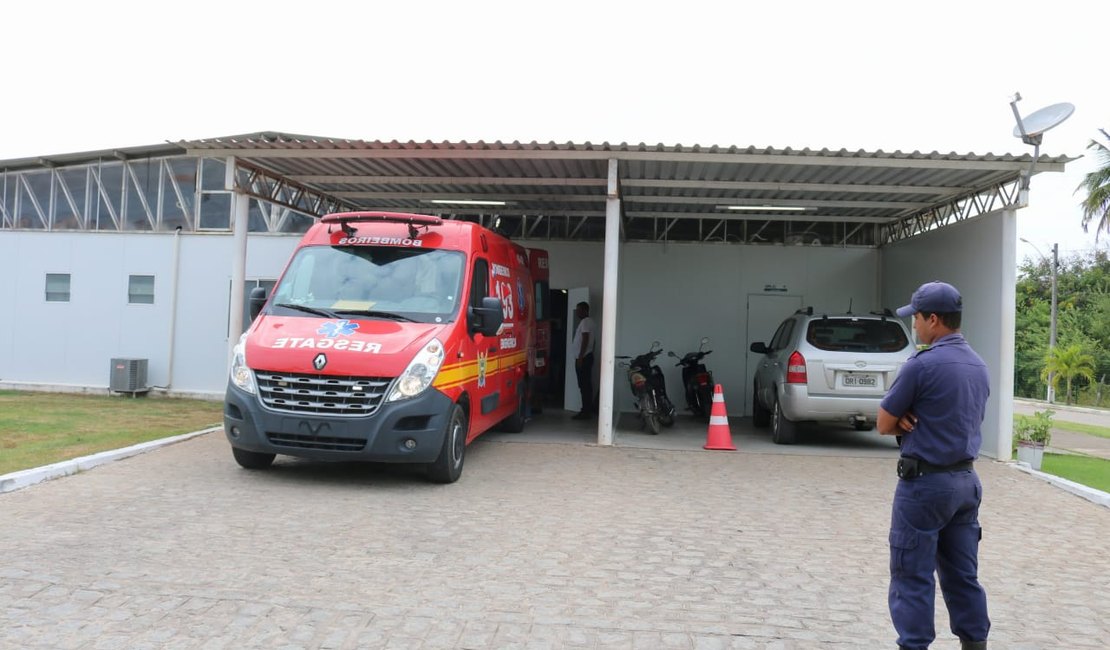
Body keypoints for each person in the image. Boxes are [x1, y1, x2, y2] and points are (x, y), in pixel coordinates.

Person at [877, 281, 991, 650]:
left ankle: (915, 644)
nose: (914, 326)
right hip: (966, 483)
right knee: (963, 576)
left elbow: (882, 423)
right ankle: (975, 642)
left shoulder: (921, 366)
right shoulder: (978, 364)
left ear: (934, 319)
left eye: (917, 319)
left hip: (925, 486)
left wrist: (902, 417)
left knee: (912, 574)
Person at [571, 301, 595, 419]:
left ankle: (585, 411)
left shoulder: (585, 322)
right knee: (585, 385)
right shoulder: (590, 322)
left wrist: (580, 356)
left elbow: (585, 339)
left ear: (585, 310)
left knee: (584, 385)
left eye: (579, 310)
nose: (577, 312)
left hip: (584, 357)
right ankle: (586, 410)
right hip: (587, 356)